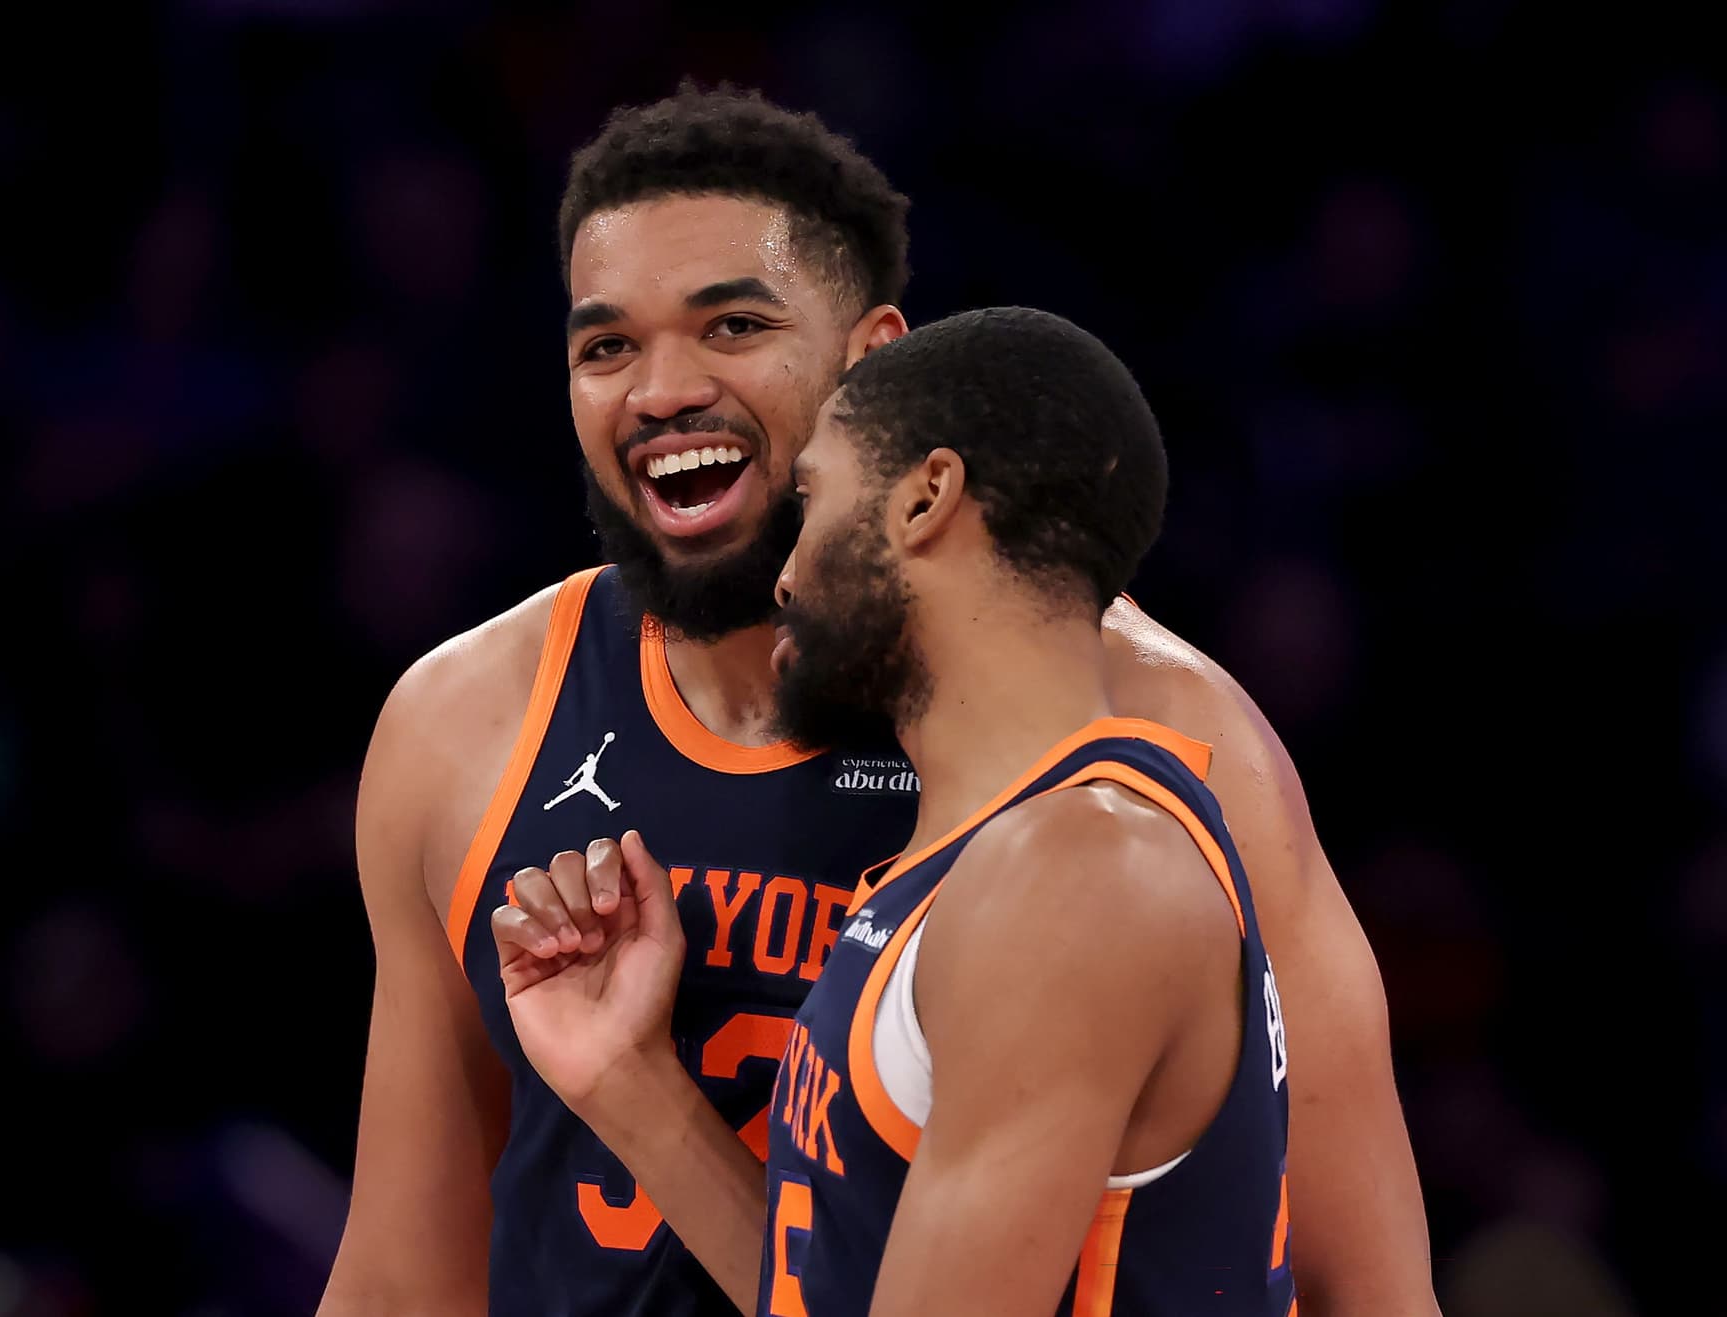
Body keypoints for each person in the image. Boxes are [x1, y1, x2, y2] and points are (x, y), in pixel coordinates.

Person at [321, 85, 1436, 1317]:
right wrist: (636, 1092)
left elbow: (1365, 1285)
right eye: (606, 347)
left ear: (875, 363)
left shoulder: (1154, 745)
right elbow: (398, 1281)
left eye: (733, 325)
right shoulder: (464, 721)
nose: (659, 390)